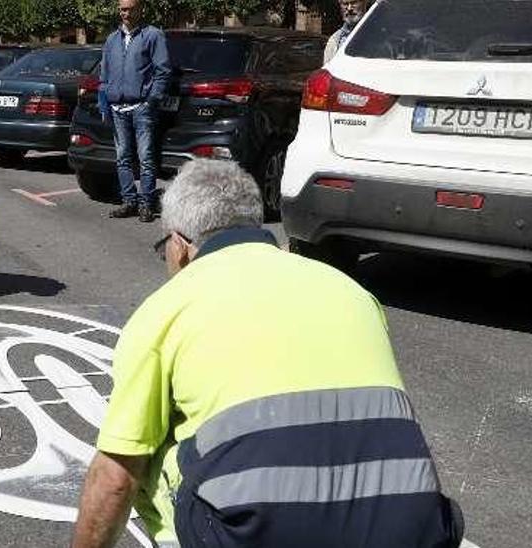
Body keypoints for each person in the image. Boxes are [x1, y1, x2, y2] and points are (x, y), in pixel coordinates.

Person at [72, 159, 463, 548]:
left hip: (261, 535)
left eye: (165, 251)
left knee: (144, 456)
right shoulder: (350, 291)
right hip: (412, 530)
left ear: (179, 245)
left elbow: (115, 479)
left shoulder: (165, 309)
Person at [99, 0, 172, 223]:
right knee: (122, 158)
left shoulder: (153, 35)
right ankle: (129, 201)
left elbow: (163, 71)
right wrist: (105, 104)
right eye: (122, 9)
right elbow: (104, 75)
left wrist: (151, 100)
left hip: (142, 107)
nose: (126, 14)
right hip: (117, 108)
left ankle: (146, 204)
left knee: (146, 158)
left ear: (140, 9)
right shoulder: (112, 39)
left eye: (130, 9)